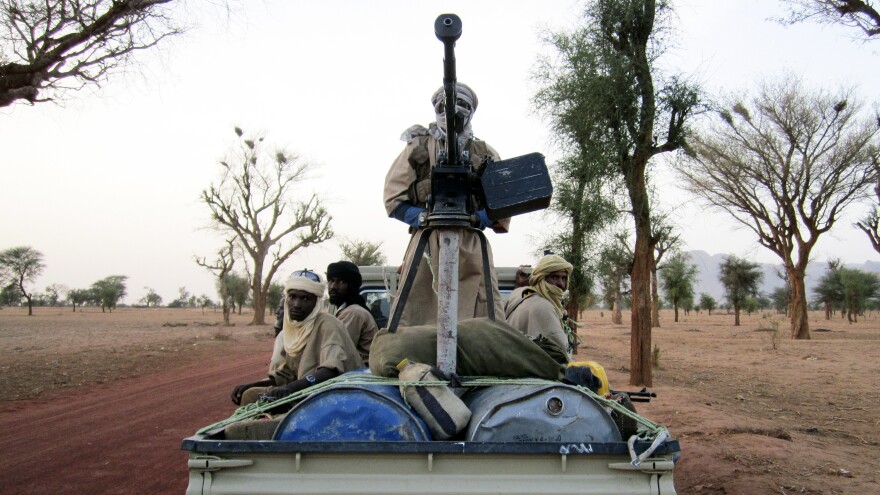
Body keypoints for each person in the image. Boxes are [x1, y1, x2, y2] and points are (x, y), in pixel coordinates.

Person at [383, 82, 509, 326]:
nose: (451, 111)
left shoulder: (485, 152)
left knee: (484, 316)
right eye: (444, 105)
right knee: (416, 317)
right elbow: (392, 199)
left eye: (461, 105)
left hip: (470, 243)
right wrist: (422, 217)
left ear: (471, 111)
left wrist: (480, 218)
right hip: (427, 243)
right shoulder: (417, 147)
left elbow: (503, 203)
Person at [231, 270, 362, 406]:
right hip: (309, 393)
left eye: (305, 299)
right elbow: (286, 374)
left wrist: (290, 389)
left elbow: (330, 370)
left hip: (335, 397)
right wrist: (250, 385)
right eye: (293, 297)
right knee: (249, 394)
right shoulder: (297, 327)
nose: (297, 304)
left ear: (316, 302)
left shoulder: (328, 324)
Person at [503, 254, 575, 358]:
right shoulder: (545, 308)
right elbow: (561, 353)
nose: (560, 283)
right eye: (555, 277)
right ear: (541, 278)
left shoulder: (518, 294)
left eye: (564, 278)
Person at [327, 261, 378, 365]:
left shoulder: (353, 313)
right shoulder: (347, 309)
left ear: (351, 286)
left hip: (361, 373)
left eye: (341, 282)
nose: (333, 286)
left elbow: (337, 352)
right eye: (331, 281)